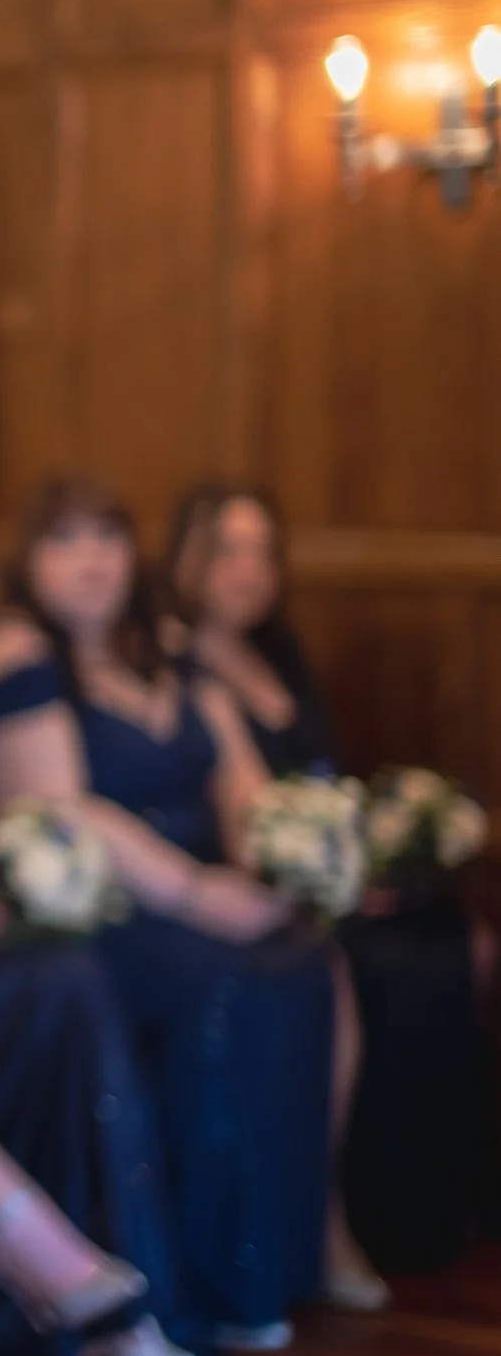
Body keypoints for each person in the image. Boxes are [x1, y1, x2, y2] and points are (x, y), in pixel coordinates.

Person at [0, 476, 360, 1350]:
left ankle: (278, 1263)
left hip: (202, 887)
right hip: (109, 906)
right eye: (66, 539)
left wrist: (281, 857)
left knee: (300, 965)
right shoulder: (15, 660)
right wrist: (196, 893)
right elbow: (66, 813)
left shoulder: (165, 652)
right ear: (28, 559)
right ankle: (209, 1278)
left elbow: (237, 779)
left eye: (107, 537)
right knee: (223, 986)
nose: (92, 560)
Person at [166, 483, 496, 1273]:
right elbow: (246, 821)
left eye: (262, 551)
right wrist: (334, 880)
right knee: (389, 964)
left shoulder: (277, 652)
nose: (248, 569)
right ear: (186, 558)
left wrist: (388, 851)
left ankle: (440, 1192)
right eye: (228, 549)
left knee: (463, 940)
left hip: (330, 863)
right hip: (270, 881)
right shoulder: (179, 661)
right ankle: (361, 1210)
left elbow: (329, 777)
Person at [0, 489, 198, 1356]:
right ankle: (61, 1284)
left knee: (68, 977)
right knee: (58, 985)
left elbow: (26, 827)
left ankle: (112, 1290)